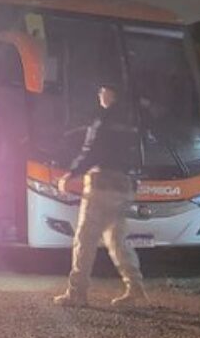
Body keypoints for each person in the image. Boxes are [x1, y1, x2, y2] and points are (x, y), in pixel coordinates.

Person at [54, 84, 147, 308]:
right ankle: (136, 290)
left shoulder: (103, 120)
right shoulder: (134, 123)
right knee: (117, 241)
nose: (100, 95)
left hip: (101, 185)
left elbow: (91, 150)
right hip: (124, 186)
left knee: (85, 239)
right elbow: (140, 156)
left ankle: (77, 292)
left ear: (111, 94)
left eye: (102, 91)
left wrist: (71, 174)